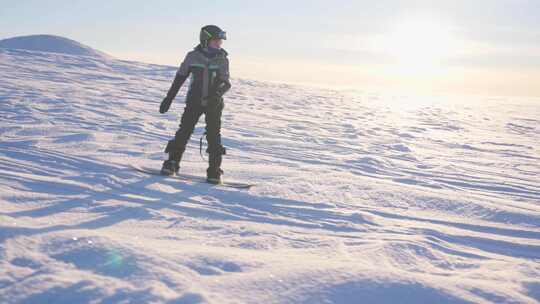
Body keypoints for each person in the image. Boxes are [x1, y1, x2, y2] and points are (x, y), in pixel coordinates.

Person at [159, 25, 231, 184]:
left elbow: (226, 83)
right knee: (184, 131)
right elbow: (179, 79)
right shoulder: (192, 57)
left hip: (214, 104)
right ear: (205, 41)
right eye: (216, 41)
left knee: (213, 136)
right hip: (194, 102)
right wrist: (168, 99)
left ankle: (214, 171)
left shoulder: (223, 59)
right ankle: (172, 163)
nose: (219, 44)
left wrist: (216, 95)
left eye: (220, 42)